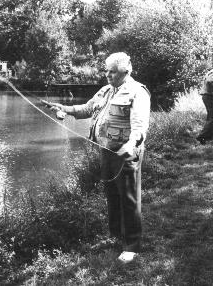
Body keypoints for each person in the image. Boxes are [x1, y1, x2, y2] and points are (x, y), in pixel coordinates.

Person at [45, 52, 151, 263]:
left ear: (126, 71)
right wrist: (64, 108)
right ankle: (116, 236)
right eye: (106, 70)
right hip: (106, 151)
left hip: (126, 153)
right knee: (112, 195)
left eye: (112, 71)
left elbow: (140, 127)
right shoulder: (105, 90)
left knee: (129, 198)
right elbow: (86, 109)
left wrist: (130, 146)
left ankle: (132, 245)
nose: (107, 75)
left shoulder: (138, 92)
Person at [196, 60, 213, 145]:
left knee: (211, 117)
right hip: (209, 96)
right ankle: (202, 136)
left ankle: (208, 136)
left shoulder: (212, 72)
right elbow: (209, 81)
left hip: (207, 96)